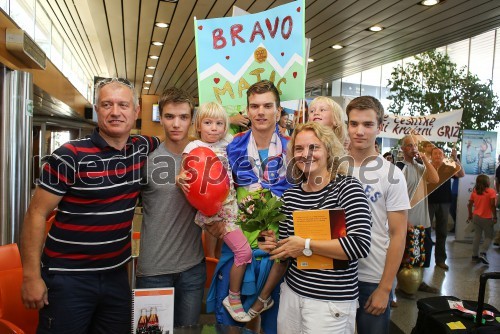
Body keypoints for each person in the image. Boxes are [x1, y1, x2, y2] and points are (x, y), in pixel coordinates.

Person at [20, 78, 161, 333]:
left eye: (123, 105)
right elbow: (36, 214)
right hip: (67, 278)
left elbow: (180, 143)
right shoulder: (69, 155)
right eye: (107, 104)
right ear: (97, 109)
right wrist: (31, 276)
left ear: (137, 111)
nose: (115, 112)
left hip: (116, 276)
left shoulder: (143, 148)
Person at [258, 122, 372, 333]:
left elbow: (360, 245)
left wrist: (306, 245)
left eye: (314, 147)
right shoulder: (291, 196)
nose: (306, 154)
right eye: (299, 148)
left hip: (330, 305)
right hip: (292, 296)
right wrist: (273, 246)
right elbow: (286, 255)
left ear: (328, 150)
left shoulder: (346, 188)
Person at [206, 80, 291, 334]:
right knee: (231, 326)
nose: (260, 112)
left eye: (267, 106)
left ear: (278, 111)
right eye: (254, 106)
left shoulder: (293, 149)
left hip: (277, 252)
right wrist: (214, 223)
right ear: (247, 110)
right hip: (238, 249)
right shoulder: (232, 147)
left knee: (272, 326)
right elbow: (214, 191)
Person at [136, 87, 206, 327]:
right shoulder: (146, 161)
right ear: (160, 117)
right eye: (169, 116)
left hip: (192, 268)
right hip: (153, 271)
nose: (176, 124)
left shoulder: (205, 159)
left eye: (183, 117)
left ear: (191, 120)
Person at [177, 102, 252, 322]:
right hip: (214, 211)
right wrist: (180, 178)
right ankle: (233, 297)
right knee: (243, 253)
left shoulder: (227, 142)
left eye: (219, 123)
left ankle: (226, 291)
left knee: (236, 254)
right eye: (208, 123)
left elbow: (245, 140)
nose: (214, 128)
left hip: (229, 205)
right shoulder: (193, 147)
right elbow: (184, 172)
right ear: (198, 126)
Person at [345, 96, 410, 334]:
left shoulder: (391, 174)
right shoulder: (332, 167)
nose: (359, 131)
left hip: (372, 276)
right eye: (354, 124)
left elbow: (398, 234)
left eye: (367, 124)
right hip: (333, 274)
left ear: (379, 127)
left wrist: (385, 287)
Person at [398, 135, 439, 296]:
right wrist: (403, 219)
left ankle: (418, 282)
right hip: (407, 221)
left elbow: (435, 178)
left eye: (415, 145)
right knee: (404, 256)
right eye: (409, 145)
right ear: (403, 149)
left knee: (421, 254)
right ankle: (401, 285)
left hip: (423, 220)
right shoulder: (400, 168)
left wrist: (425, 159)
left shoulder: (419, 166)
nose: (413, 148)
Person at [427, 147, 465, 270]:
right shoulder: (426, 166)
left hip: (444, 202)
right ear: (431, 155)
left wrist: (455, 158)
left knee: (442, 232)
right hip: (428, 202)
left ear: (443, 156)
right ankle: (424, 259)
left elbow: (461, 174)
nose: (438, 156)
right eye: (435, 153)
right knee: (426, 232)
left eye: (440, 153)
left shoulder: (448, 167)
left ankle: (440, 260)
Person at [467, 174, 497, 265]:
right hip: (487, 218)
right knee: (489, 236)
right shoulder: (491, 192)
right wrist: (495, 216)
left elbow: (469, 204)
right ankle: (483, 253)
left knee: (477, 236)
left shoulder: (474, 192)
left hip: (476, 217)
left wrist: (470, 215)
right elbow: (492, 205)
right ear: (487, 182)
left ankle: (474, 256)